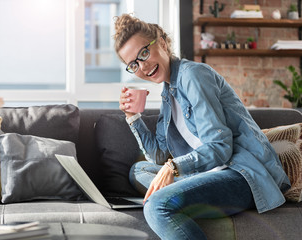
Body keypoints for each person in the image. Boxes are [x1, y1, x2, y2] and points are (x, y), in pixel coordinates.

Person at [114, 13, 290, 240]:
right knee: (138, 171)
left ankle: (180, 191)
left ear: (162, 43)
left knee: (157, 205)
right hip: (208, 173)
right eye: (133, 63)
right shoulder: (168, 94)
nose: (142, 65)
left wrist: (173, 168)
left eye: (144, 53)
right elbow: (157, 156)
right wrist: (132, 117)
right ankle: (187, 188)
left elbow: (220, 147)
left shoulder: (192, 76)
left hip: (241, 174)